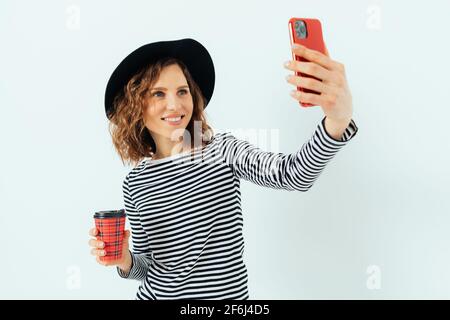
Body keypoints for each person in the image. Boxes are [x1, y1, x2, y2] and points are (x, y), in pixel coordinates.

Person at [88, 38, 358, 300]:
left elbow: (293, 175)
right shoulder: (135, 183)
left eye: (182, 91)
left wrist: (337, 120)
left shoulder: (220, 150)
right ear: (136, 106)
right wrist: (125, 260)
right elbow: (147, 267)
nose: (175, 104)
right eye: (158, 93)